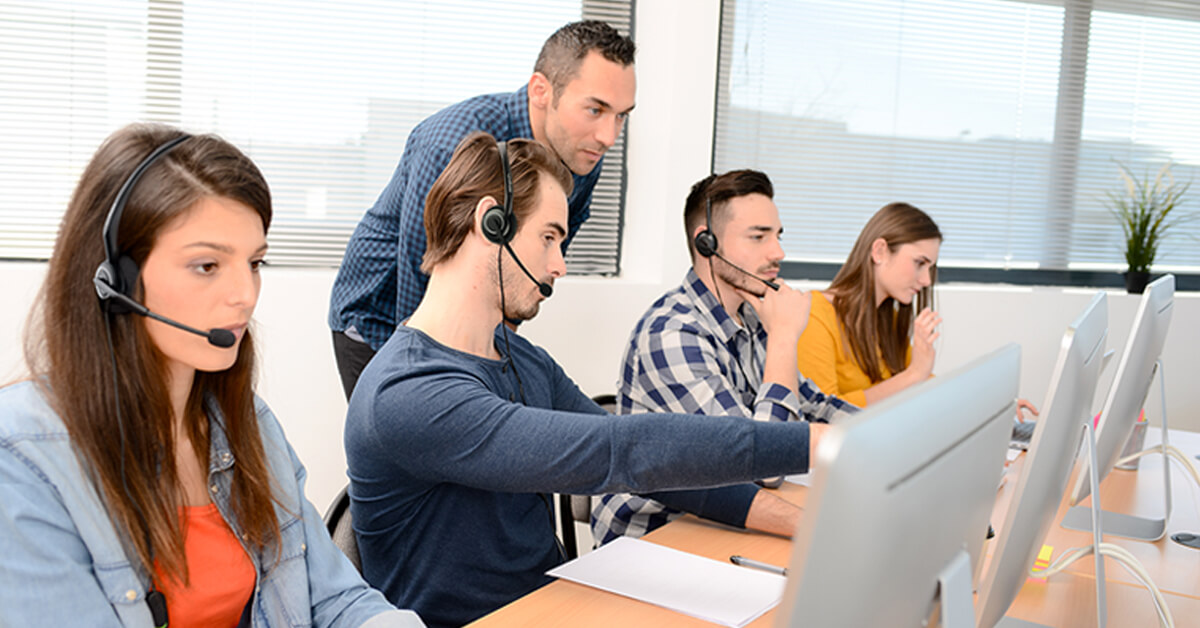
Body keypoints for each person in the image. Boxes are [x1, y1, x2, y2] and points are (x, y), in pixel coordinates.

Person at [344, 132, 828, 628]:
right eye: (549, 237)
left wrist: (806, 524)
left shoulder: (524, 359)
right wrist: (821, 443)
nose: (560, 264)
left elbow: (663, 474)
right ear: (491, 223)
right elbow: (620, 451)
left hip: (550, 605)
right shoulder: (409, 391)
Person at [0, 124, 422, 627]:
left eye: (255, 262)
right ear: (116, 282)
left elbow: (334, 598)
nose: (245, 293)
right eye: (207, 265)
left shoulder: (248, 426)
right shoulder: (24, 457)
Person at [328, 20, 637, 398]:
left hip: (468, 315)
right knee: (413, 433)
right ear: (541, 90)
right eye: (595, 110)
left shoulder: (583, 153)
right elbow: (422, 279)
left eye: (622, 115)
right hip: (381, 310)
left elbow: (531, 271)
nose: (609, 136)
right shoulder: (449, 143)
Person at [592, 170, 855, 545]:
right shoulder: (672, 334)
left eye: (777, 236)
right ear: (707, 243)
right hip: (655, 539)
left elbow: (816, 406)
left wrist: (897, 439)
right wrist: (783, 338)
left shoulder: (753, 317)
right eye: (758, 236)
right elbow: (759, 467)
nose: (778, 252)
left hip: (720, 523)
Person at [795, 202, 943, 407]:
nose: (927, 280)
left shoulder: (887, 320)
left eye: (930, 268)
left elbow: (928, 385)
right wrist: (914, 375)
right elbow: (820, 413)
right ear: (880, 251)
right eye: (919, 263)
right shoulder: (814, 315)